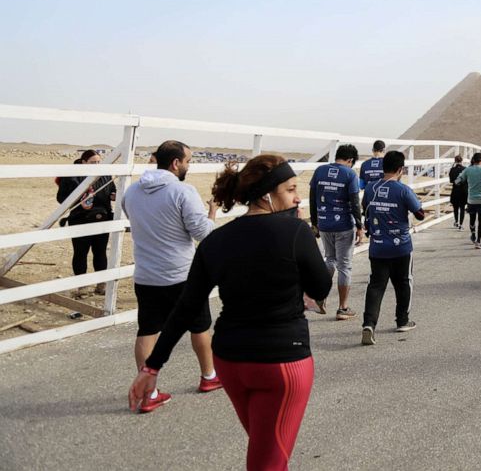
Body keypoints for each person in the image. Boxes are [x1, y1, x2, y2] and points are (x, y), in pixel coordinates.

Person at [129, 154, 332, 471]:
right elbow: (320, 287)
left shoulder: (216, 240)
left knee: (267, 448)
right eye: (291, 189)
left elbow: (186, 308)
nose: (296, 197)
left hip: (231, 363)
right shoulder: (295, 232)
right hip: (281, 363)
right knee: (268, 460)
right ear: (268, 193)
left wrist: (152, 367)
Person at [121, 140, 220, 409]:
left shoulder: (131, 193)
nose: (188, 166)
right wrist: (212, 213)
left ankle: (148, 393)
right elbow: (202, 233)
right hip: (181, 274)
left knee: (148, 330)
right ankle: (209, 376)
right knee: (199, 325)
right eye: (188, 161)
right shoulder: (182, 191)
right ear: (176, 163)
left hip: (146, 274)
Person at [361, 151, 425, 345]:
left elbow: (366, 209)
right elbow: (420, 214)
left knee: (376, 286)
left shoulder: (371, 188)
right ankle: (402, 320)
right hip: (401, 247)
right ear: (400, 169)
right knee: (404, 282)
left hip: (378, 246)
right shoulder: (403, 190)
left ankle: (369, 324)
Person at [309, 144, 364, 320]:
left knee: (330, 259)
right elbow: (355, 202)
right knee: (345, 265)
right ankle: (343, 308)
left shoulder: (320, 170)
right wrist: (360, 226)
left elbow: (312, 198)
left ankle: (320, 296)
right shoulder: (349, 174)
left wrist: (315, 222)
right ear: (350, 160)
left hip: (324, 223)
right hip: (344, 226)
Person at [56, 149, 116, 294]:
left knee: (100, 252)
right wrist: (78, 201)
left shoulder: (105, 174)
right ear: (83, 162)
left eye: (98, 162)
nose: (96, 165)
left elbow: (112, 190)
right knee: (80, 253)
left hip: (102, 219)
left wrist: (114, 195)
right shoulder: (72, 176)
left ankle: (101, 285)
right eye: (92, 162)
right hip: (80, 219)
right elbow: (61, 198)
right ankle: (82, 286)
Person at [456, 153, 481, 249]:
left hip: (471, 199)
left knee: (472, 219)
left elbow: (457, 181)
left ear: (473, 160)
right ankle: (479, 240)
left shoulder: (468, 170)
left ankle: (473, 235)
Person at [448, 155, 468, 229]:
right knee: (462, 208)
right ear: (462, 160)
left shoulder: (452, 169)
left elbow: (451, 180)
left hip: (455, 190)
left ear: (455, 161)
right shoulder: (465, 169)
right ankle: (461, 224)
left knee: (455, 208)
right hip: (463, 190)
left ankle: (456, 221)